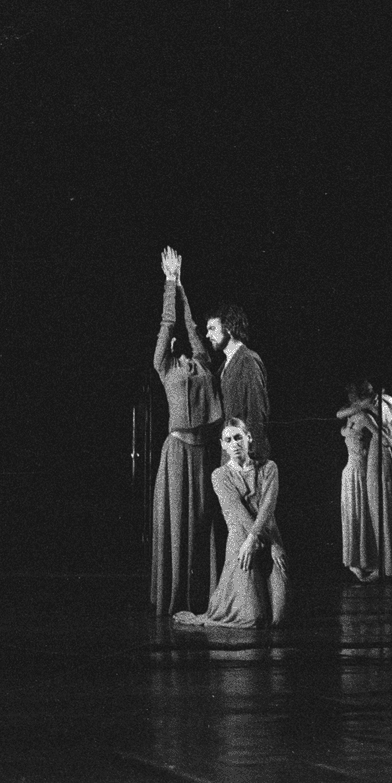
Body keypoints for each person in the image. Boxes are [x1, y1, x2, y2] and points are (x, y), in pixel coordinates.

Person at [149, 247, 222, 615]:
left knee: (200, 528)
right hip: (177, 453)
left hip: (202, 455)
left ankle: (201, 597)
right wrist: (168, 283)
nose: (179, 337)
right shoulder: (165, 367)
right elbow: (169, 324)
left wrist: (183, 286)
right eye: (174, 338)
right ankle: (174, 597)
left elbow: (191, 328)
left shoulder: (202, 363)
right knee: (179, 524)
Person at [174, 419, 288, 629]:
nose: (234, 443)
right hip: (240, 539)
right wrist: (250, 542)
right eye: (228, 439)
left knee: (279, 616)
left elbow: (267, 507)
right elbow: (238, 513)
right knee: (251, 617)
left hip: (269, 535)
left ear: (248, 438)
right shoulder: (219, 475)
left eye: (238, 437)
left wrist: (271, 544)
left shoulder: (269, 468)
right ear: (222, 445)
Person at [338, 381, 392, 582]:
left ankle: (383, 566)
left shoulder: (367, 414)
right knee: (366, 514)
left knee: (375, 512)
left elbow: (389, 437)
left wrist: (371, 409)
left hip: (371, 462)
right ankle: (374, 563)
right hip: (363, 464)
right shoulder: (371, 408)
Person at [204, 301, 271, 464]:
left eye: (212, 328)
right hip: (230, 456)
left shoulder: (247, 360)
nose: (207, 335)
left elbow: (257, 412)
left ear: (228, 328)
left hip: (244, 460)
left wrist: (250, 460)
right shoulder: (226, 365)